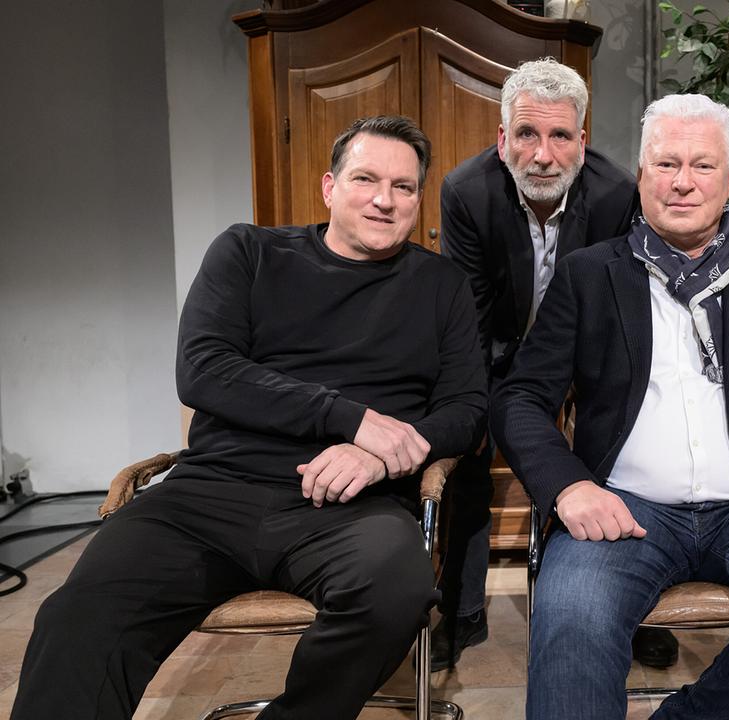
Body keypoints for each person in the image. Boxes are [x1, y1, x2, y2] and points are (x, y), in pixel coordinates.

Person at [12, 116, 487, 720]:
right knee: (79, 615)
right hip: (210, 496)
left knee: (397, 587)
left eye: (404, 187)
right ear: (329, 187)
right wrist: (349, 418)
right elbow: (203, 369)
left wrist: (376, 455)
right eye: (365, 179)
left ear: (418, 200)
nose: (384, 200)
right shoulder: (249, 253)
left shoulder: (442, 285)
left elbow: (467, 410)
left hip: (350, 506)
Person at [492, 93, 729, 720]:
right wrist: (568, 487)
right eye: (667, 164)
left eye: (702, 165)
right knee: (572, 617)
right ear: (643, 176)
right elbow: (520, 398)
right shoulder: (588, 275)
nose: (683, 182)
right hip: (624, 507)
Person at [435, 57, 659, 671]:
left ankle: (626, 608)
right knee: (467, 444)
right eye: (527, 134)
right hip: (497, 350)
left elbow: (620, 309)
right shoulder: (466, 192)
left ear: (581, 142)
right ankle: (461, 608)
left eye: (560, 136)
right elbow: (470, 319)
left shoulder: (617, 194)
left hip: (587, 351)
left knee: (620, 444)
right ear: (501, 138)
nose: (542, 155)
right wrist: (479, 403)